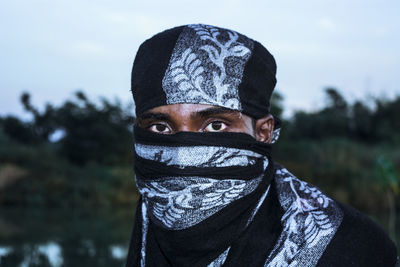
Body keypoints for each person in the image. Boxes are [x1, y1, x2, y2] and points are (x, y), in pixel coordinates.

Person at [126, 24, 399, 267]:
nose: (182, 158)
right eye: (160, 127)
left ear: (263, 133)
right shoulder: (153, 213)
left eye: (215, 125)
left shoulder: (351, 247)